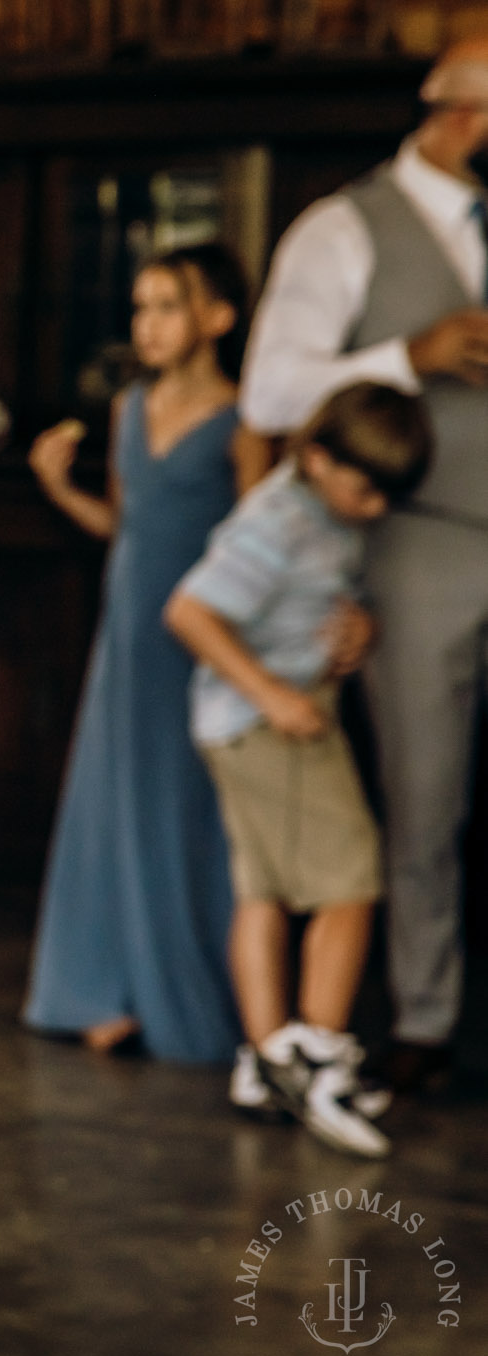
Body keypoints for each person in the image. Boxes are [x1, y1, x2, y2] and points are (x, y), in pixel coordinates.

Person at [240, 38, 488, 1096]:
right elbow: (268, 394)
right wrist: (409, 357)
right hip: (419, 536)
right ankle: (424, 1021)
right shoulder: (343, 226)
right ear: (465, 115)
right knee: (423, 791)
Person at [165, 382, 433, 1157]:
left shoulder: (324, 511)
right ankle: (316, 1056)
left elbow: (324, 595)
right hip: (270, 726)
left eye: (390, 494)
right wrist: (273, 695)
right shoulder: (279, 519)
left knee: (266, 889)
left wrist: (359, 628)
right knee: (350, 880)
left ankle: (266, 1055)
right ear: (317, 459)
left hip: (266, 716)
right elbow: (190, 612)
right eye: (364, 488)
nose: (376, 507)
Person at [20, 244, 264, 1064]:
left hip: (200, 646)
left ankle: (188, 992)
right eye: (140, 308)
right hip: (125, 637)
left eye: (166, 306)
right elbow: (126, 529)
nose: (147, 324)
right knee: (111, 806)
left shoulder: (243, 421)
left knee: (184, 811)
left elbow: (262, 544)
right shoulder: (129, 408)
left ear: (217, 319)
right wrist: (59, 487)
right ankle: (103, 988)